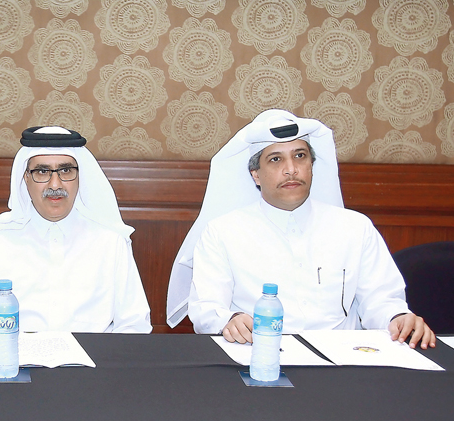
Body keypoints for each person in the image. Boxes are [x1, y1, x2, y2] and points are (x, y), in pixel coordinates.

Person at [167, 109, 435, 348]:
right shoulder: (222, 232)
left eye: (300, 156)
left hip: (342, 367)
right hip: (258, 355)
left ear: (312, 166)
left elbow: (381, 300)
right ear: (256, 175)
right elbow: (206, 308)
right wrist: (231, 320)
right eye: (275, 160)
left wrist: (398, 318)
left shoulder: (355, 227)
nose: (291, 169)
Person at [0, 126, 151, 332]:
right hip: (16, 361)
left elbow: (134, 324)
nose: (55, 184)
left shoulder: (110, 240)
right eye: (42, 172)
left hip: (95, 362)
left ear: (79, 176)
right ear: (26, 178)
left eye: (66, 171)